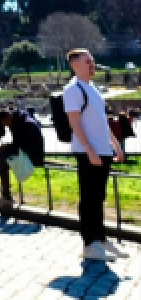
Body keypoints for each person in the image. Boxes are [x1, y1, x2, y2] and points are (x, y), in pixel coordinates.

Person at [62, 49, 129, 261]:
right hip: (87, 151)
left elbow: (101, 121)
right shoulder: (73, 89)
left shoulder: (93, 89)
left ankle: (100, 238)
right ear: (75, 64)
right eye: (87, 61)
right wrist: (89, 149)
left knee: (98, 197)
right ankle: (89, 243)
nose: (92, 64)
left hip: (102, 150)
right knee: (89, 198)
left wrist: (115, 144)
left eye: (92, 60)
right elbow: (74, 122)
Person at [0, 108, 45, 205]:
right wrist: (8, 146)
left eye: (5, 124)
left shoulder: (26, 124)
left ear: (8, 118)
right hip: (27, 151)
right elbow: (19, 144)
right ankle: (4, 195)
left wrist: (7, 146)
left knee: (2, 154)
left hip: (34, 155)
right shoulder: (17, 121)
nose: (6, 126)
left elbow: (24, 145)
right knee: (2, 161)